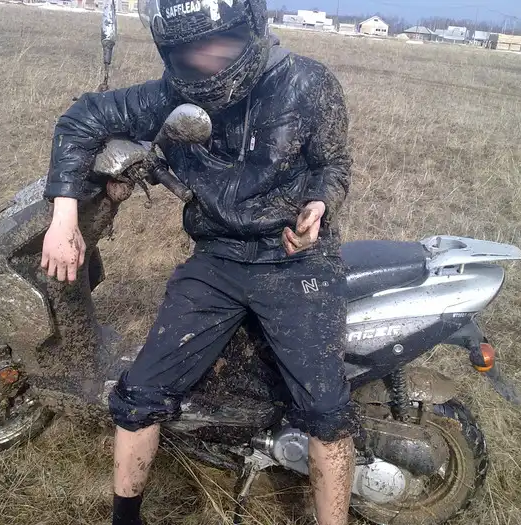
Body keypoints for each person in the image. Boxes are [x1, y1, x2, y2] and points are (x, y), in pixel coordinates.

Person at [40, 0, 359, 523]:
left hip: (296, 260)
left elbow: (334, 163)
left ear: (249, 28)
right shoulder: (171, 95)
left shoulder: (307, 83)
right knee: (138, 394)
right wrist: (63, 217)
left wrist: (320, 204)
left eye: (220, 44)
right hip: (217, 258)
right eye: (189, 51)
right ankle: (125, 517)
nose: (207, 60)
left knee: (327, 412)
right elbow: (83, 117)